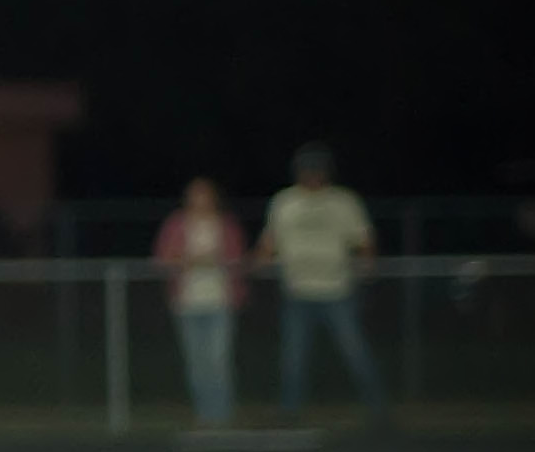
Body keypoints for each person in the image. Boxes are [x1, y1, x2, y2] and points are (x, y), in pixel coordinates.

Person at [258, 142, 384, 426]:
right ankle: (289, 412)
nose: (312, 176)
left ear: (327, 173)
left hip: (337, 290)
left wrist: (367, 268)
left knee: (355, 352)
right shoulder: (284, 202)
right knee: (293, 357)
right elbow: (269, 241)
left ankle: (378, 410)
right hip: (297, 291)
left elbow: (364, 239)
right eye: (306, 170)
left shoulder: (343, 201)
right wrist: (259, 261)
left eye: (317, 170)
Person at [151, 178, 249, 428]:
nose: (200, 201)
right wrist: (185, 260)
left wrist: (216, 258)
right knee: (196, 362)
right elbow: (162, 258)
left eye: (205, 195)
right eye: (195, 195)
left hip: (219, 301)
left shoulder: (225, 224)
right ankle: (204, 413)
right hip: (187, 302)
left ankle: (223, 413)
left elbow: (237, 257)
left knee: (219, 359)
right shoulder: (176, 224)